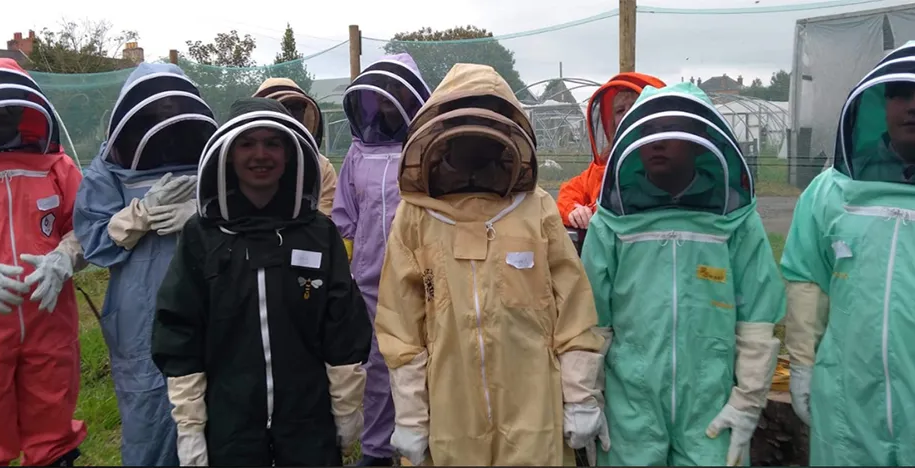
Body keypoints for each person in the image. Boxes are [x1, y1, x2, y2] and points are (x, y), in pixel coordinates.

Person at [375, 63, 608, 466]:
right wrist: (412, 417)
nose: (473, 130)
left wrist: (581, 396)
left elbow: (573, 312)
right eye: (463, 114)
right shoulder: (415, 216)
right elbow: (401, 328)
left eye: (486, 113)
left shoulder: (536, 209)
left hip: (535, 410)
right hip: (449, 412)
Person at [152, 97, 372, 466]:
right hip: (229, 422)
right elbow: (180, 330)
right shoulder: (202, 236)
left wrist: (346, 408)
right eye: (247, 143)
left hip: (308, 422)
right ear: (227, 152)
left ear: (290, 154)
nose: (260, 155)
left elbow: (343, 328)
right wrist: (190, 427)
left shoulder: (318, 235)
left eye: (273, 143)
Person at [581, 81, 785, 466]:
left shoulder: (734, 221)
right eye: (649, 131)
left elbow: (757, 318)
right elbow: (593, 322)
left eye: (671, 131)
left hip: (711, 405)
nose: (657, 142)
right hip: (631, 409)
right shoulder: (612, 223)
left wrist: (747, 399)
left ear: (699, 138)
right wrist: (585, 397)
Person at [781, 39, 915, 466]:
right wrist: (802, 364)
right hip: (848, 413)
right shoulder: (833, 191)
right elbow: (808, 282)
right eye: (901, 93)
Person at [72, 62, 218, 466]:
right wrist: (136, 218)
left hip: (211, 297)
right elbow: (95, 242)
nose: (165, 122)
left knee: (219, 404)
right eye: (156, 113)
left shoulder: (214, 156)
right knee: (147, 411)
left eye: (173, 109)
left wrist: (204, 210)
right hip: (140, 313)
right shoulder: (108, 171)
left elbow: (248, 214)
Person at [0, 57, 87, 466]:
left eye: (10, 104)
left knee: (53, 434)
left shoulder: (56, 165)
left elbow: (87, 226)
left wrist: (65, 257)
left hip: (50, 321)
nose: (1, 113)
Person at [332, 52, 432, 466]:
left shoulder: (428, 146)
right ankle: (376, 449)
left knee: (424, 363)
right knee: (376, 367)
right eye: (381, 92)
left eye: (395, 91)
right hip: (370, 280)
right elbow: (345, 217)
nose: (387, 100)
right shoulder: (358, 153)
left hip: (423, 279)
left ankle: (427, 445)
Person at [557, 72, 665, 230]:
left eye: (635, 107)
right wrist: (574, 210)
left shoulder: (665, 162)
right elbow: (569, 192)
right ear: (612, 123)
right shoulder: (602, 167)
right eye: (620, 110)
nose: (627, 114)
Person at [253, 77, 337, 215]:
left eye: (297, 107)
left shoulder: (321, 167)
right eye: (284, 106)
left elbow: (324, 219)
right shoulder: (246, 162)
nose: (291, 114)